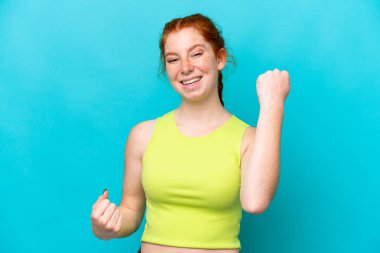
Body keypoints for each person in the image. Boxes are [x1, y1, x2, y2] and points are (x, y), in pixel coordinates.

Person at [90, 13, 290, 253]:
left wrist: (273, 105)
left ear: (220, 58)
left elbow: (255, 202)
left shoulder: (248, 139)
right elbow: (131, 211)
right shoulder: (143, 135)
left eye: (196, 54)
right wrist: (106, 227)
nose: (185, 68)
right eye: (173, 59)